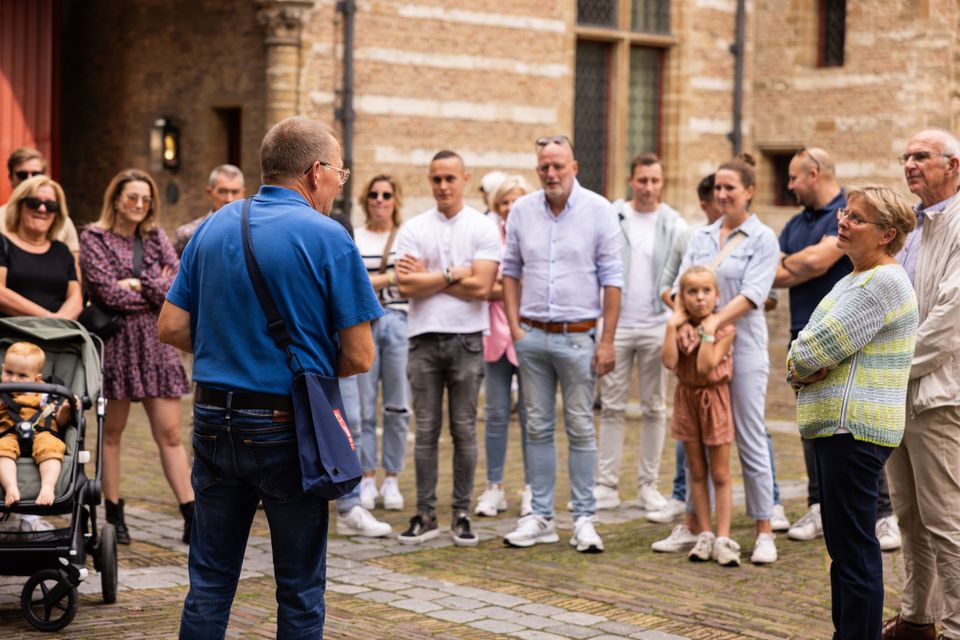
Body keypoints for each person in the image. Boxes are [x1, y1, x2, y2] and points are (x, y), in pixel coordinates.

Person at [160, 116, 379, 638]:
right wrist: (305, 364)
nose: (338, 185)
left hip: (214, 417)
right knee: (300, 589)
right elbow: (361, 356)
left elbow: (170, 326)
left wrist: (227, 347)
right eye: (341, 175)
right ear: (315, 171)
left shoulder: (214, 225)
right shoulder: (329, 237)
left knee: (209, 581)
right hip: (286, 424)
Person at [788, 186, 918, 639]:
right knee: (843, 549)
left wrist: (801, 361)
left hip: (854, 429)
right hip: (837, 429)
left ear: (887, 234)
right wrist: (801, 362)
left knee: (855, 548)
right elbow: (804, 349)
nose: (842, 221)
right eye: (845, 212)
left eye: (857, 218)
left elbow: (816, 348)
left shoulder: (881, 282)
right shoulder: (851, 279)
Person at [774, 148, 901, 550]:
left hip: (847, 350)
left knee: (850, 432)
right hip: (805, 332)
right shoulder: (796, 223)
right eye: (844, 218)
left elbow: (807, 266)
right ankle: (816, 503)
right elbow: (775, 272)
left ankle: (882, 515)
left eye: (793, 177)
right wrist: (804, 261)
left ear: (814, 174)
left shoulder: (860, 236)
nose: (789, 185)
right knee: (814, 427)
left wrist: (803, 262)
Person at [501, 135, 622, 553]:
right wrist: (516, 329)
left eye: (558, 166)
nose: (550, 174)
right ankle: (540, 516)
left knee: (581, 427)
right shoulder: (521, 210)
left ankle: (585, 518)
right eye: (544, 167)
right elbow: (510, 271)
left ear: (574, 166)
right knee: (535, 427)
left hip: (579, 337)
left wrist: (606, 340)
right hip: (532, 335)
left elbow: (612, 279)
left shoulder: (599, 210)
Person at [670, 154, 780, 565]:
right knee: (694, 436)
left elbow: (753, 295)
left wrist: (712, 321)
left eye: (729, 188)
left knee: (750, 434)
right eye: (717, 188)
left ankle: (764, 528)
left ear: (748, 192)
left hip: (743, 345)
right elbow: (682, 286)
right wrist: (682, 322)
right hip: (699, 349)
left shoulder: (763, 238)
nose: (721, 195)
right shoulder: (701, 236)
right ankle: (698, 527)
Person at [80, 169, 193, 545]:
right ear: (115, 199)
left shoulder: (156, 236)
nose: (140, 206)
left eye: (146, 200)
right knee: (111, 435)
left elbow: (176, 286)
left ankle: (191, 513)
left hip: (156, 343)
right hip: (116, 346)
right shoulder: (93, 237)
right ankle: (114, 514)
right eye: (133, 198)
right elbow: (107, 293)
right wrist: (151, 286)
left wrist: (138, 283)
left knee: (172, 434)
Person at [394, 150, 499, 547]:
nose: (443, 186)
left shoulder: (482, 227)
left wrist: (431, 276)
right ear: (429, 180)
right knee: (425, 431)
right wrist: (458, 273)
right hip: (422, 338)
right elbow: (405, 286)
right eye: (436, 179)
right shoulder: (414, 227)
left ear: (465, 179)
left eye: (450, 178)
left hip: (467, 338)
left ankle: (461, 512)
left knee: (464, 430)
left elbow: (484, 287)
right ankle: (424, 513)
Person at [882, 129, 960, 640]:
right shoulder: (912, 225)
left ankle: (955, 625)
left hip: (938, 394)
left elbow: (950, 319)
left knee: (946, 520)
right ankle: (917, 616)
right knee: (908, 516)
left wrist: (888, 365)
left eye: (921, 156)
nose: (910, 164)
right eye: (906, 156)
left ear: (952, 165)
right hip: (897, 395)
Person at [595, 153, 687, 512]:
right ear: (631, 181)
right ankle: (606, 483)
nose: (649, 187)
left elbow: (682, 273)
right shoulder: (612, 217)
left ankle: (648, 484)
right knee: (612, 405)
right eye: (643, 180)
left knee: (654, 407)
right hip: (616, 325)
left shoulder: (674, 224)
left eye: (655, 181)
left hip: (655, 324)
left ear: (662, 183)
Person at [662, 266, 738, 566]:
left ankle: (722, 536)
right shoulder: (678, 328)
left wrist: (707, 333)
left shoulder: (724, 330)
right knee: (695, 469)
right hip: (686, 399)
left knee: (720, 473)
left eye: (706, 291)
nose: (700, 297)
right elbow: (669, 362)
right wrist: (672, 326)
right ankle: (704, 534)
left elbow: (706, 366)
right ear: (682, 298)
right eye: (692, 292)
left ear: (717, 295)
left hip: (713, 400)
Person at [475, 175, 533, 518]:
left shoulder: (533, 233)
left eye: (516, 201)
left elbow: (536, 282)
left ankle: (532, 488)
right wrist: (510, 287)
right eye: (505, 202)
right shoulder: (486, 233)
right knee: (496, 414)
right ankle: (494, 486)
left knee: (532, 416)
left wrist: (504, 285)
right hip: (494, 333)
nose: (510, 208)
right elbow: (483, 285)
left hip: (529, 332)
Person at [353, 174, 410, 512]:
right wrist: (390, 277)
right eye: (373, 194)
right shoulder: (355, 237)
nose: (379, 200)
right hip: (364, 324)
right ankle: (366, 476)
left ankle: (392, 476)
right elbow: (354, 283)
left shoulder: (406, 237)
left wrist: (371, 282)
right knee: (362, 405)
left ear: (395, 200)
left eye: (386, 194)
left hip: (400, 323)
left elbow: (414, 278)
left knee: (398, 405)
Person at [0, 176, 82, 320]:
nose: (42, 209)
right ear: (19, 206)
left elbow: (75, 297)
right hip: (12, 337)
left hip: (57, 337)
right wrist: (48, 318)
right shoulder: (2, 243)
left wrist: (60, 324)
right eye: (34, 202)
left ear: (57, 213)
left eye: (50, 205)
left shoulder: (62, 251)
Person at [0, 342, 71, 507]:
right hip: (7, 434)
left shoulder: (47, 394)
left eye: (22, 376)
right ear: (3, 368)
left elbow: (60, 422)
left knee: (52, 446)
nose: (13, 380)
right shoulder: (1, 392)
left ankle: (47, 487)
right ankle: (11, 487)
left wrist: (66, 409)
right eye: (8, 372)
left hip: (42, 432)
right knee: (1, 449)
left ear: (37, 379)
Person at [1, 148, 80, 268]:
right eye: (22, 175)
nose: (29, 180)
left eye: (36, 174)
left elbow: (74, 271)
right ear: (11, 178)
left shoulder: (63, 222)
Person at [173, 164, 246, 256]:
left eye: (235, 192)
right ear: (210, 193)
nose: (229, 199)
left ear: (243, 193)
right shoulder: (188, 234)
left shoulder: (251, 233)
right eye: (222, 191)